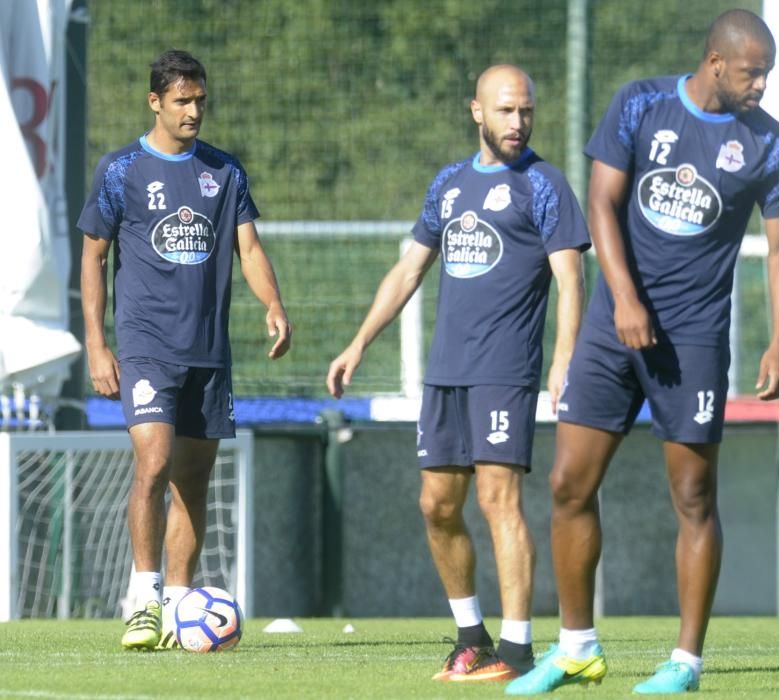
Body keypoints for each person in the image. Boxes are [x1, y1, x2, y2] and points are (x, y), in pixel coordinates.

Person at [506, 9, 779, 696]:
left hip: (695, 340)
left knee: (694, 495)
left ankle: (685, 663)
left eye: (768, 73)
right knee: (566, 485)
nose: (761, 85)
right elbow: (602, 205)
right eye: (752, 72)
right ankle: (577, 646)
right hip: (614, 330)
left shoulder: (770, 143)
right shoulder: (639, 103)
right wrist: (626, 298)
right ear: (715, 63)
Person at [327, 64, 589, 682]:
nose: (518, 122)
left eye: (526, 110)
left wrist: (563, 357)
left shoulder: (545, 185)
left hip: (505, 370)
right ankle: (473, 638)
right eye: (505, 111)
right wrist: (358, 343)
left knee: (500, 500)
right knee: (437, 505)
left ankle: (519, 651)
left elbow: (571, 280)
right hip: (446, 373)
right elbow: (408, 271)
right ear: (477, 112)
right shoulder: (448, 184)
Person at [78, 49, 291, 651]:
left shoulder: (224, 172)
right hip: (146, 346)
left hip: (208, 351)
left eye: (200, 100)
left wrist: (273, 304)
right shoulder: (120, 170)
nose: (194, 110)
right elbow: (93, 256)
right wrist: (97, 344)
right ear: (155, 102)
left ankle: (178, 603)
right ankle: (142, 599)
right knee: (153, 462)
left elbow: (249, 249)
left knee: (194, 483)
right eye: (182, 101)